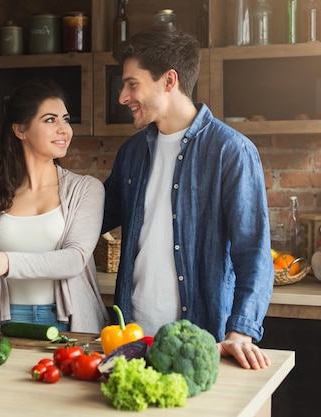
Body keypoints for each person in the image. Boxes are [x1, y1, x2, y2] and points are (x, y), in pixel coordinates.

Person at [103, 24, 274, 370]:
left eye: (132, 83)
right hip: (131, 339)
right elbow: (94, 216)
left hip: (199, 343)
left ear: (169, 80)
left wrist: (241, 330)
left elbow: (253, 251)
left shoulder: (231, 151)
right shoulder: (132, 153)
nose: (123, 97)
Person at [0, 79, 109, 333]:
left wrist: (6, 262)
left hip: (68, 321)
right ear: (20, 130)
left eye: (66, 119)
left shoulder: (86, 190)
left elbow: (74, 259)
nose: (64, 129)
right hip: (7, 322)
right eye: (50, 120)